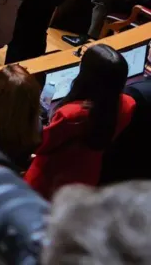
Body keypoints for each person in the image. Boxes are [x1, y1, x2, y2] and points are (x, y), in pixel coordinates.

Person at [26, 44, 136, 198]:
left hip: (50, 181)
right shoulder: (129, 104)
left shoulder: (71, 115)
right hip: (87, 175)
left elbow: (42, 145)